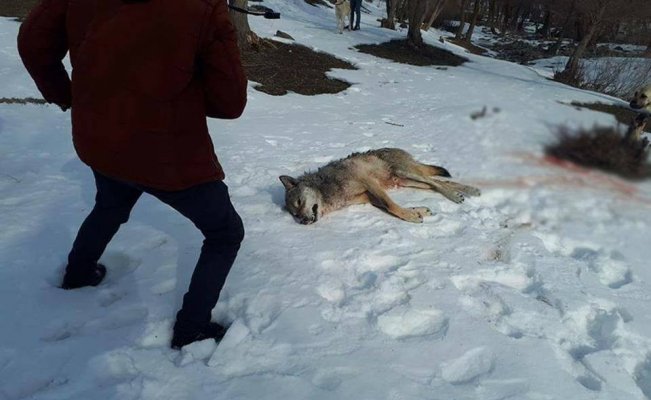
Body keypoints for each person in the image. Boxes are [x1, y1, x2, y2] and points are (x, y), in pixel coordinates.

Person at [17, 0, 248, 349]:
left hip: (102, 139)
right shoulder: (202, 7)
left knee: (111, 202)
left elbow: (33, 41)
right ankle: (192, 330)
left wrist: (69, 95)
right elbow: (230, 101)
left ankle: (78, 274)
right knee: (225, 233)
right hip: (169, 155)